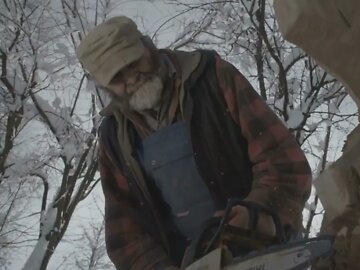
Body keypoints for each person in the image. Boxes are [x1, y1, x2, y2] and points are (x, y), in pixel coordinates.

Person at [76, 16, 312, 270]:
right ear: (104, 87)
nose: (131, 78)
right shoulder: (114, 138)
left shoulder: (211, 78)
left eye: (134, 62)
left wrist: (256, 213)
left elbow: (282, 160)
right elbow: (126, 232)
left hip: (266, 249)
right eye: (117, 77)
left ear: (148, 46)